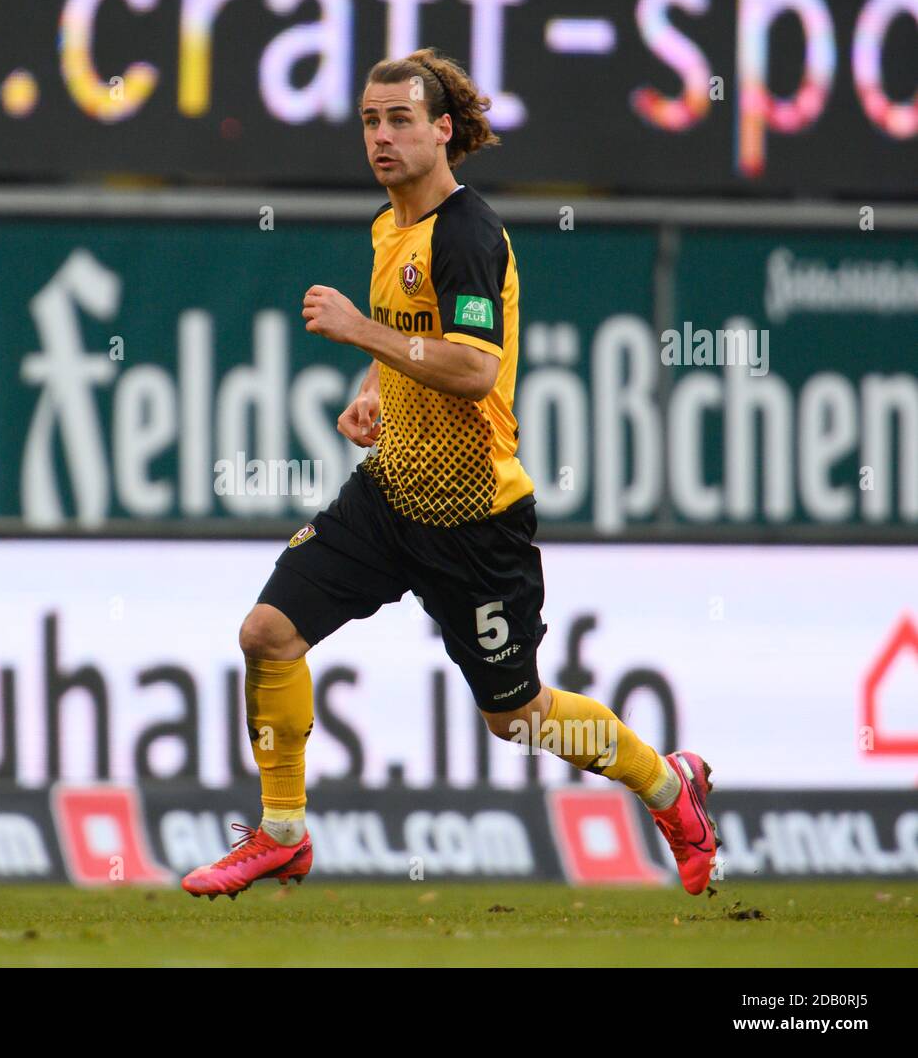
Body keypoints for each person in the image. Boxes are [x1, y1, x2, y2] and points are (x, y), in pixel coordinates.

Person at [182, 49, 718, 900]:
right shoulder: (389, 224)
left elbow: (471, 367)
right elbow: (410, 337)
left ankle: (666, 786)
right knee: (266, 635)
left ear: (443, 130)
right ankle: (282, 834)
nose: (382, 136)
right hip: (390, 495)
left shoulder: (467, 235)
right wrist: (372, 394)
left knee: (518, 718)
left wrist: (362, 336)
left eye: (399, 119)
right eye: (369, 119)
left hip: (475, 519)